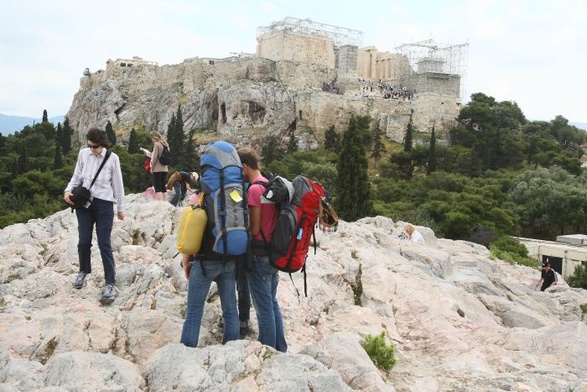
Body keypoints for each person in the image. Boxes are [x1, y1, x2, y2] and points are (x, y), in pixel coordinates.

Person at [64, 128, 125, 304]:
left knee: (104, 243)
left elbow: (118, 184)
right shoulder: (84, 155)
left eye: (95, 146)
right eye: (89, 145)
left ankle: (110, 283)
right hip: (85, 204)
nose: (92, 149)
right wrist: (68, 190)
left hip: (104, 204)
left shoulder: (112, 159)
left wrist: (121, 208)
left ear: (103, 144)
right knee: (83, 241)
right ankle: (83, 271)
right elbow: (77, 176)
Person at [238, 147, 287, 352]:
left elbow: (255, 228)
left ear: (244, 166)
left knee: (263, 308)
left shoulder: (254, 190)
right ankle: (280, 347)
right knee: (272, 303)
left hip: (259, 256)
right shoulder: (269, 185)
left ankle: (269, 351)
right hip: (273, 254)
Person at [150, 131, 169, 201]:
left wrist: (152, 167)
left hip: (157, 168)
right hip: (165, 168)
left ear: (154, 137)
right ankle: (165, 202)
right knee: (163, 187)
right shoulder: (165, 144)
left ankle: (159, 203)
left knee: (157, 187)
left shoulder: (156, 144)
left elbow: (155, 157)